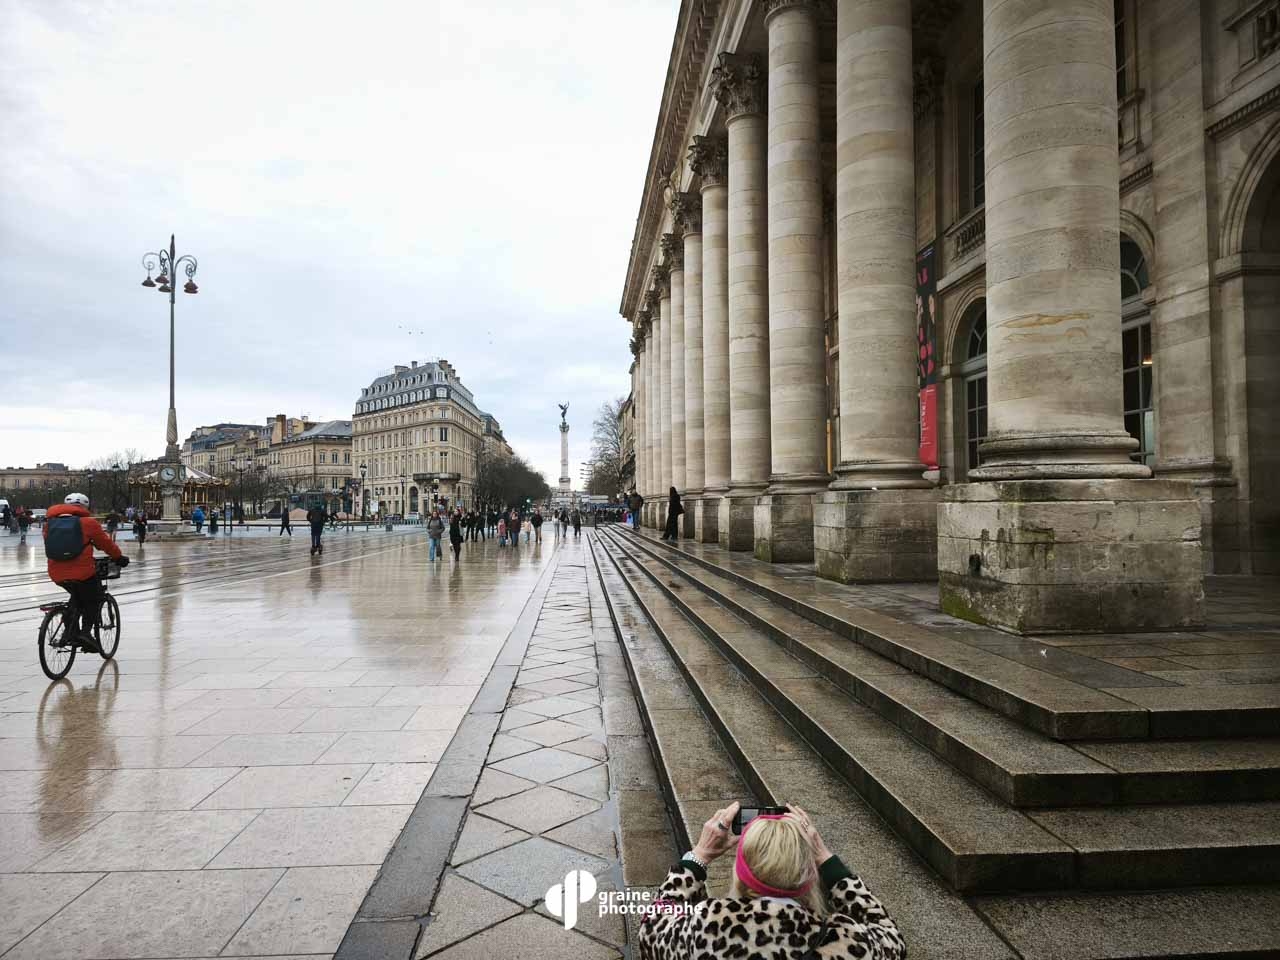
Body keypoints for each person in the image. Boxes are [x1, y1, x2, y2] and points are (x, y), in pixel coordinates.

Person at [638, 801, 904, 960]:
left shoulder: (703, 929)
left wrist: (700, 855)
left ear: (740, 874)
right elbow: (891, 936)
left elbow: (653, 925)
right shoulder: (846, 942)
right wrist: (826, 858)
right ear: (810, 875)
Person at [43, 493, 129, 654]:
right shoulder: (89, 523)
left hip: (56, 573)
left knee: (76, 598)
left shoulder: (50, 524)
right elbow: (105, 544)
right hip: (82, 572)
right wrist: (119, 557)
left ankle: (70, 631)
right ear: (84, 507)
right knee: (94, 598)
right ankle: (85, 633)